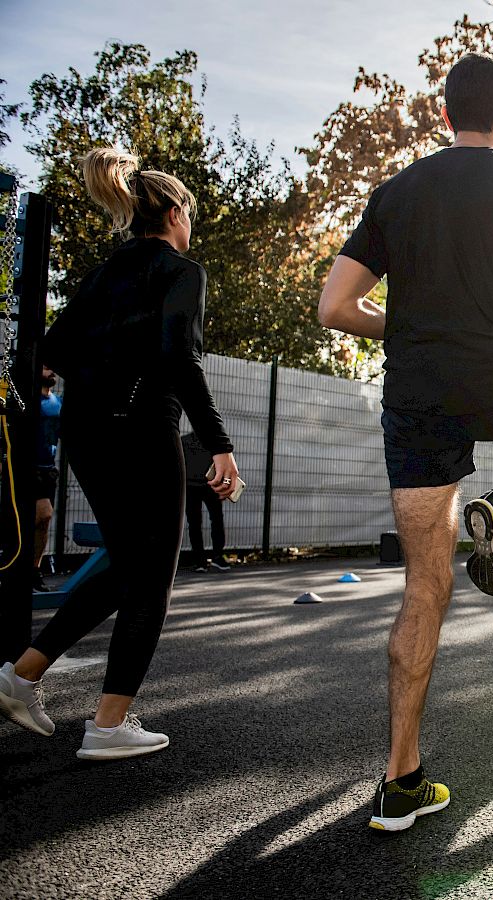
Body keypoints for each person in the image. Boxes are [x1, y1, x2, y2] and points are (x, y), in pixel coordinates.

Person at [317, 52, 493, 832]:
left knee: (422, 591)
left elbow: (335, 306)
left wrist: (400, 325)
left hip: (417, 396)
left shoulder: (394, 194)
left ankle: (401, 780)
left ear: (444, 117)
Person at [0, 147, 239, 760]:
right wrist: (219, 445)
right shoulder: (182, 272)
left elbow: (51, 345)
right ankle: (108, 724)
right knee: (152, 575)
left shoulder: (110, 270)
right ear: (176, 213)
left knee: (127, 563)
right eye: (192, 213)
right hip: (141, 431)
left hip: (87, 432)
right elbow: (178, 358)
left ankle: (21, 674)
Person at [182, 431, 229, 572]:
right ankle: (215, 557)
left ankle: (201, 561)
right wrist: (225, 485)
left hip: (195, 486)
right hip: (208, 486)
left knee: (196, 524)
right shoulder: (214, 441)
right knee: (215, 520)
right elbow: (224, 466)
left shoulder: (184, 441)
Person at [32, 366, 61, 592]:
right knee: (43, 513)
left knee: (43, 522)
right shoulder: (25, 399)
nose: (51, 371)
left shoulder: (57, 402)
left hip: (48, 468)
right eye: (46, 367)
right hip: (27, 468)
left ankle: (34, 570)